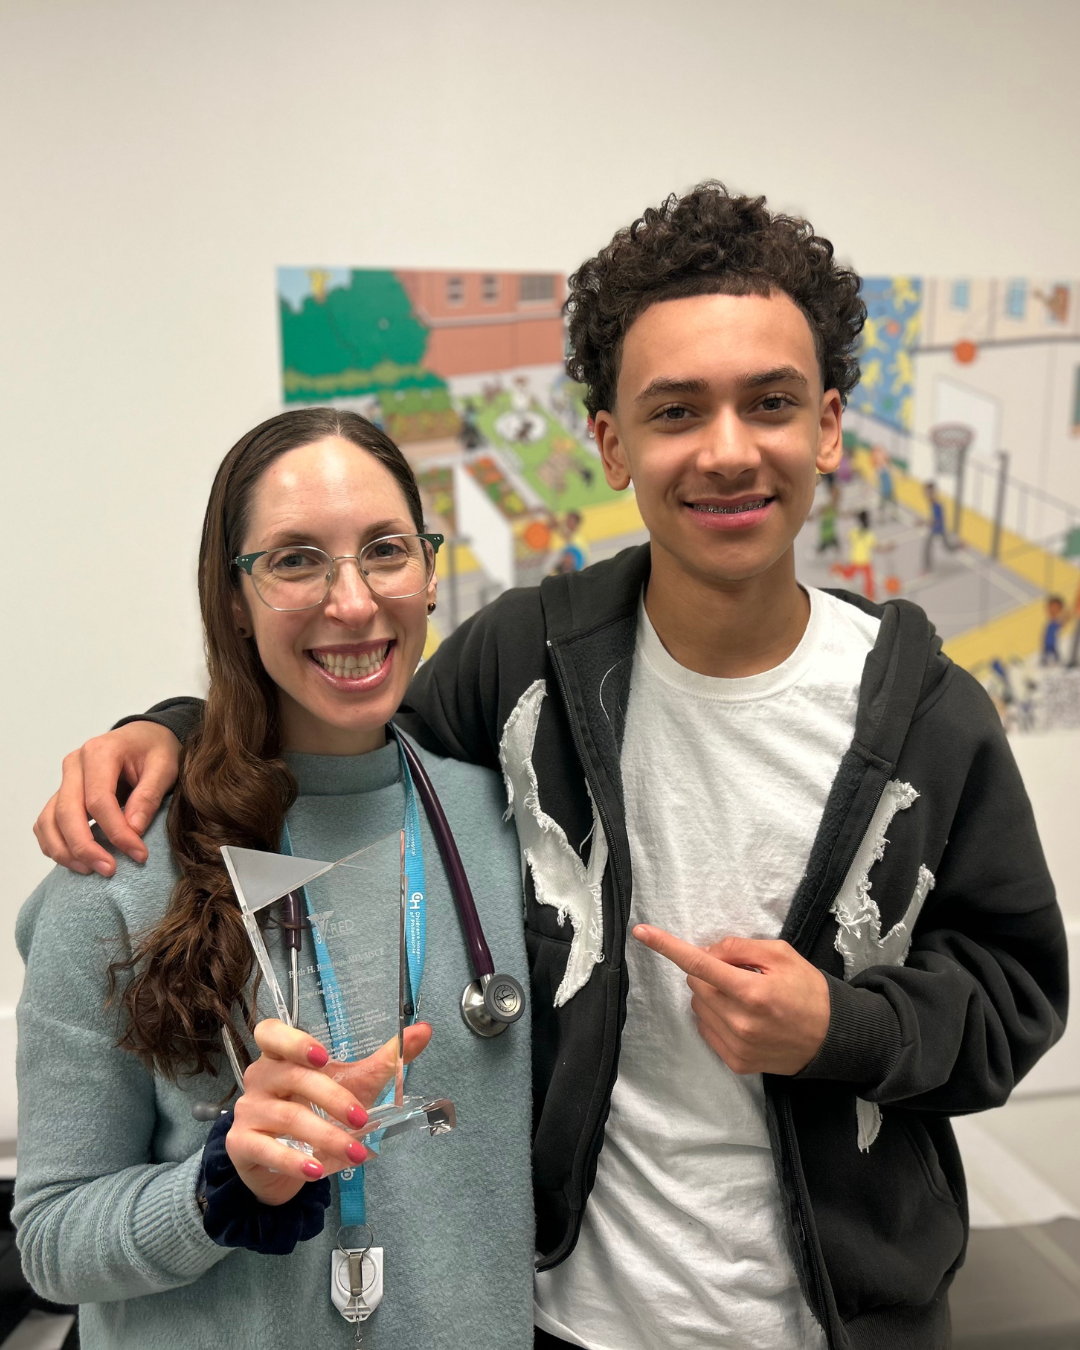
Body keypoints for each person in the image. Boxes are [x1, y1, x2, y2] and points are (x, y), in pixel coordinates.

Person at [34, 185, 1067, 1350]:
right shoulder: (527, 662)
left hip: (846, 1318)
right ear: (612, 443)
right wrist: (172, 724)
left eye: (769, 403)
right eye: (676, 410)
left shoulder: (930, 715)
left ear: (827, 426)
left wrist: (843, 1028)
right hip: (569, 1320)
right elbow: (342, 716)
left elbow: (1015, 994)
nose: (727, 451)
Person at [16, 410, 534, 1349]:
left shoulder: (510, 828)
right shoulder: (125, 862)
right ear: (235, 600)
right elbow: (50, 1241)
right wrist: (220, 1186)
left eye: (386, 550)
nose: (352, 601)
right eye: (296, 560)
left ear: (427, 572)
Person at [830, 508, 877, 599]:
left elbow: (849, 538)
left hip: (856, 558)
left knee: (853, 574)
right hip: (864, 559)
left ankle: (838, 571)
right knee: (867, 577)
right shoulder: (868, 534)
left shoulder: (854, 532)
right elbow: (875, 546)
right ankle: (869, 593)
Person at [922, 479, 960, 573]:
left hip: (938, 528)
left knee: (945, 547)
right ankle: (927, 567)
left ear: (932, 491)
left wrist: (927, 522)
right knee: (934, 546)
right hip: (936, 528)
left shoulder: (936, 503)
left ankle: (959, 546)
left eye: (928, 492)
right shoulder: (932, 502)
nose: (926, 494)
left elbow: (938, 519)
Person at [1041, 594, 1065, 665]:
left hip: (1052, 641)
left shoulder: (1056, 622)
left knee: (1053, 651)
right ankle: (1045, 660)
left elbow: (1059, 626)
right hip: (1047, 641)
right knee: (1047, 651)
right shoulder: (1050, 623)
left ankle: (1057, 659)